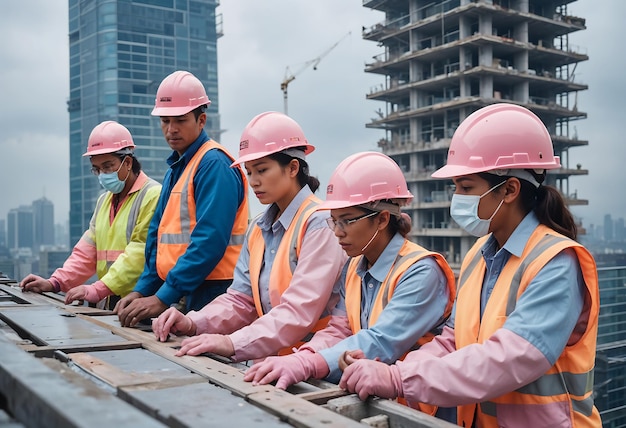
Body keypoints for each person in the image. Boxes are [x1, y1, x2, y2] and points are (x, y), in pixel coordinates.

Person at [339, 103, 601, 427]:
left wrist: (398, 377)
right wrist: (388, 370)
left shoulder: (557, 262)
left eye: (466, 188)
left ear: (509, 189)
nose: (457, 198)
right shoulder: (480, 254)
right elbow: (452, 341)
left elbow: (508, 360)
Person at [243, 151, 456, 416]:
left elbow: (381, 341)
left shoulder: (421, 271)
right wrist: (305, 355)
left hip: (421, 410)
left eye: (347, 220)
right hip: (378, 404)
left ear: (381, 219)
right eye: (334, 220)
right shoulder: (355, 264)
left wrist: (310, 364)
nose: (337, 231)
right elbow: (339, 329)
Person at [151, 111, 347, 362]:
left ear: (293, 168)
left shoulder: (319, 224)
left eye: (262, 170)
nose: (253, 181)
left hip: (315, 364)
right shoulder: (258, 229)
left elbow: (298, 312)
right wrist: (191, 322)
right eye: (249, 171)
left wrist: (231, 342)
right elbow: (241, 300)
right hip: (271, 362)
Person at [115, 70, 249, 326]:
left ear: (201, 120)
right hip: (186, 287)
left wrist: (163, 297)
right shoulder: (177, 169)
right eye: (165, 121)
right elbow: (157, 238)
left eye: (180, 120)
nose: (171, 129)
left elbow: (209, 240)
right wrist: (143, 289)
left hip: (215, 292)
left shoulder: (214, 164)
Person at [20, 121, 161, 309]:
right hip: (110, 300)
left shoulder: (152, 195)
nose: (103, 174)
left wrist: (97, 289)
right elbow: (86, 252)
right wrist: (54, 282)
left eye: (108, 166)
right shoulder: (104, 201)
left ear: (127, 162)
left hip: (143, 303)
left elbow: (138, 254)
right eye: (97, 169)